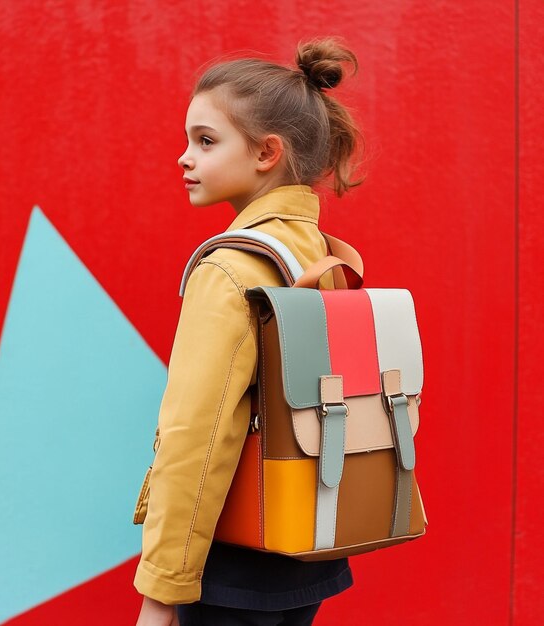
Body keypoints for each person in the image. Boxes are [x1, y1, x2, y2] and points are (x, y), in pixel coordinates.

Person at [134, 37, 363, 626]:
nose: (184, 158)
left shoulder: (229, 269)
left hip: (232, 564)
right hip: (305, 546)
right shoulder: (320, 253)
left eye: (205, 141)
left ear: (267, 152)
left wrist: (161, 592)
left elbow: (197, 436)